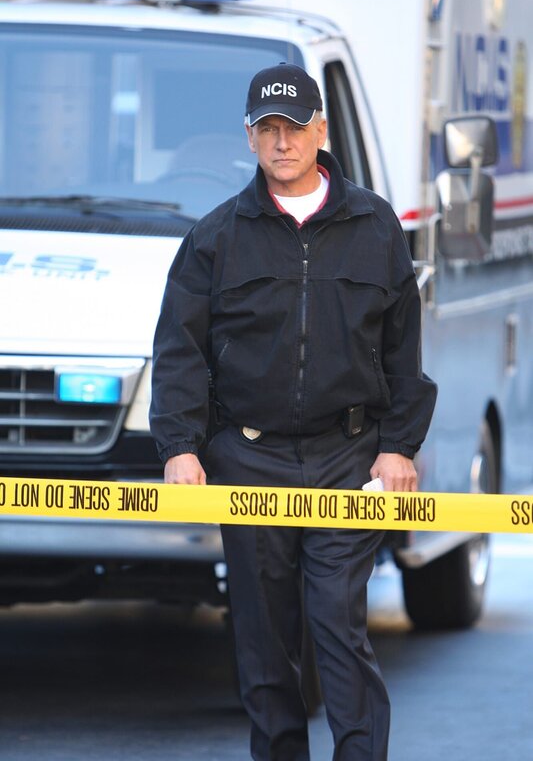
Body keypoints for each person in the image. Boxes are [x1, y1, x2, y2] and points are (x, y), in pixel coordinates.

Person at [150, 63, 437, 761]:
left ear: (321, 131)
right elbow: (180, 350)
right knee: (265, 642)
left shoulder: (374, 226)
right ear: (249, 137)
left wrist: (397, 446)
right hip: (249, 460)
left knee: (337, 625)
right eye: (268, 129)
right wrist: (180, 447)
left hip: (347, 457)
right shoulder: (216, 237)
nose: (282, 142)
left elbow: (403, 348)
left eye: (295, 127)